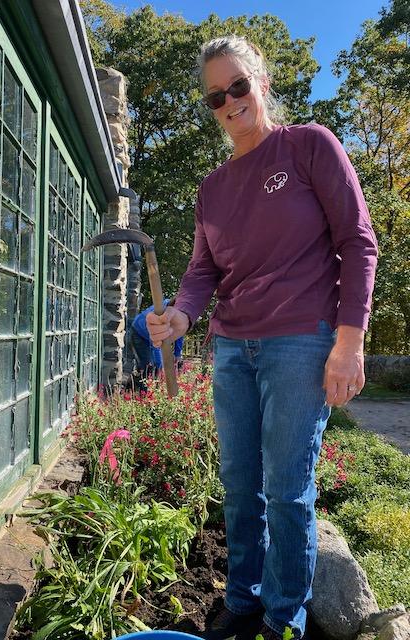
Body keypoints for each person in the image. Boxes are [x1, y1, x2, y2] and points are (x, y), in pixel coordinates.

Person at [146, 35, 378, 640]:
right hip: (231, 347)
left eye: (238, 86)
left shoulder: (308, 146)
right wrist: (181, 315)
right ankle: (243, 601)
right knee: (239, 485)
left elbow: (358, 242)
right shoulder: (211, 188)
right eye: (215, 96)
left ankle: (283, 619)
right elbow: (202, 271)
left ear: (262, 84)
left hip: (301, 341)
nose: (229, 102)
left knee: (287, 490)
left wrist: (349, 343)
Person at [130, 297, 184, 388]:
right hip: (138, 333)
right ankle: (142, 390)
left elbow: (179, 331)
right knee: (148, 364)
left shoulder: (177, 311)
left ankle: (146, 385)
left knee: (153, 365)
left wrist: (177, 354)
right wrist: (160, 368)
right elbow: (156, 345)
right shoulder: (160, 315)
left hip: (147, 333)